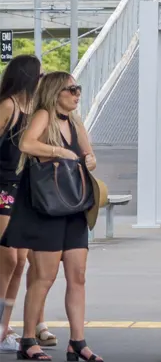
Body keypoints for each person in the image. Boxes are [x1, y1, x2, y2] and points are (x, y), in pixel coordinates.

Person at [3, 72, 101, 361]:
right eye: (71, 90)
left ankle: (78, 341)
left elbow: (87, 155)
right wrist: (58, 151)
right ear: (56, 92)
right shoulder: (44, 115)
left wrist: (90, 159)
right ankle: (29, 339)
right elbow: (26, 145)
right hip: (46, 208)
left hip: (74, 206)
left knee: (78, 275)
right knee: (44, 277)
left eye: (78, 89)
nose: (76, 94)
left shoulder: (75, 122)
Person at [0, 56, 55, 353]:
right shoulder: (8, 105)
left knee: (20, 262)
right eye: (41, 74)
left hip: (22, 190)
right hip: (3, 188)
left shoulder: (33, 110)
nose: (43, 78)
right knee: (8, 259)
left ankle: (4, 328)